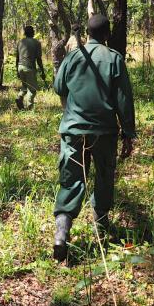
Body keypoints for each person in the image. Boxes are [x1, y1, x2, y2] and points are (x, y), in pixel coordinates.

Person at [52, 14, 136, 262]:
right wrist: (128, 133)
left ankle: (61, 233)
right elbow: (124, 100)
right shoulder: (114, 59)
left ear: (87, 33)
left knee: (71, 180)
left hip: (73, 131)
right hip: (105, 133)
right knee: (103, 176)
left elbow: (59, 87)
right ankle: (101, 228)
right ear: (107, 35)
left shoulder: (73, 56)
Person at [15, 26, 46, 110]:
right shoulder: (36, 43)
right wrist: (42, 71)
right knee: (32, 90)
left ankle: (19, 97)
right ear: (33, 32)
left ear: (25, 33)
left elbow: (17, 57)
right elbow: (38, 59)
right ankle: (29, 108)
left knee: (24, 87)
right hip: (29, 68)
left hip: (20, 67)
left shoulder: (20, 42)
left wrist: (17, 69)